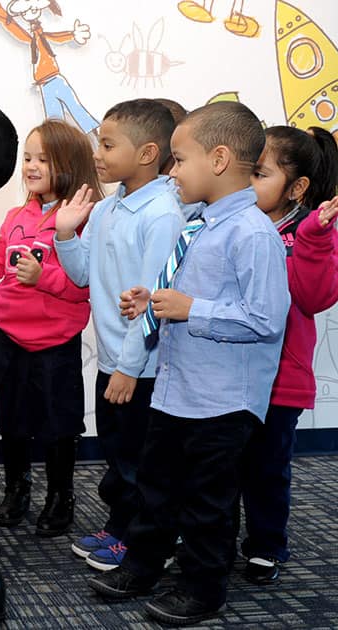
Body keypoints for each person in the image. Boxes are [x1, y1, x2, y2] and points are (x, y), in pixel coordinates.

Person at [88, 101, 290, 626]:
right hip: (176, 391)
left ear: (219, 159)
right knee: (157, 486)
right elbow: (184, 291)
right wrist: (152, 299)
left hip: (222, 401)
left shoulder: (252, 233)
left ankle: (204, 588)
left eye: (179, 160)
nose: (172, 172)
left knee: (208, 503)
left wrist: (190, 308)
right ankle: (144, 565)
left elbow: (265, 319)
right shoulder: (198, 224)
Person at [54, 99, 183, 569]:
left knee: (143, 461)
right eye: (98, 143)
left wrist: (130, 368)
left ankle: (149, 541)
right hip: (112, 358)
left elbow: (152, 299)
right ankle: (121, 527)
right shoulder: (108, 208)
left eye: (108, 145)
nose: (99, 154)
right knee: (118, 453)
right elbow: (83, 273)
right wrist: (65, 234)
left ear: (148, 152)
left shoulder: (163, 213)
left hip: (142, 367)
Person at [0, 119, 100, 537]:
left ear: (69, 163)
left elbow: (84, 288)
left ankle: (61, 496)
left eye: (43, 158)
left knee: (59, 426)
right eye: (27, 156)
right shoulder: (16, 214)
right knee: (10, 419)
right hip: (9, 339)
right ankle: (17, 489)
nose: (31, 165)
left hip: (55, 344)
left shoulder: (82, 219)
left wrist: (40, 278)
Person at [238, 125, 338, 583]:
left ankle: (265, 544)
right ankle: (208, 540)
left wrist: (314, 240)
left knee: (267, 467)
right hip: (231, 375)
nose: (246, 182)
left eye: (259, 173)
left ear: (296, 188)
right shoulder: (233, 220)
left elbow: (313, 296)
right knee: (218, 465)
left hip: (281, 381)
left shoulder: (310, 231)